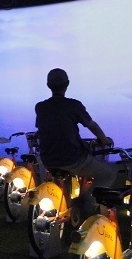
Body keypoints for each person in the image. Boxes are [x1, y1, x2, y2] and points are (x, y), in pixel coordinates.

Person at [35, 68, 117, 217]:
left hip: (47, 159)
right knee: (109, 173)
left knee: (65, 174)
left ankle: (68, 210)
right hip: (72, 157)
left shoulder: (40, 107)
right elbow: (91, 125)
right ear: (67, 84)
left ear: (48, 85)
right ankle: (87, 201)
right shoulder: (74, 105)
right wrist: (104, 139)